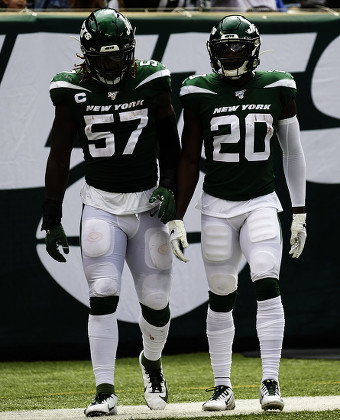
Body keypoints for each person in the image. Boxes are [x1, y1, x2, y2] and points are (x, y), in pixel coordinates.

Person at [41, 7, 180, 417]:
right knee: (103, 293)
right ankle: (105, 389)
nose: (113, 63)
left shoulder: (152, 80)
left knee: (155, 300)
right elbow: (60, 154)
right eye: (104, 55)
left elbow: (172, 148)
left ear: (131, 50)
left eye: (119, 54)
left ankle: (151, 363)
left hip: (149, 203)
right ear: (87, 53)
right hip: (101, 202)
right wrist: (52, 213)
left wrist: (171, 188)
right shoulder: (71, 89)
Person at [168, 15, 306, 412]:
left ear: (254, 49)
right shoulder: (197, 90)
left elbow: (292, 151)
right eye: (223, 47)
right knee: (222, 294)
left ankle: (270, 381)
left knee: (266, 279)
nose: (230, 54)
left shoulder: (278, 85)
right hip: (216, 206)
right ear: (213, 51)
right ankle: (222, 387)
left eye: (237, 47)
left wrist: (299, 210)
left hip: (261, 201)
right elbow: (189, 158)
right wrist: (177, 214)